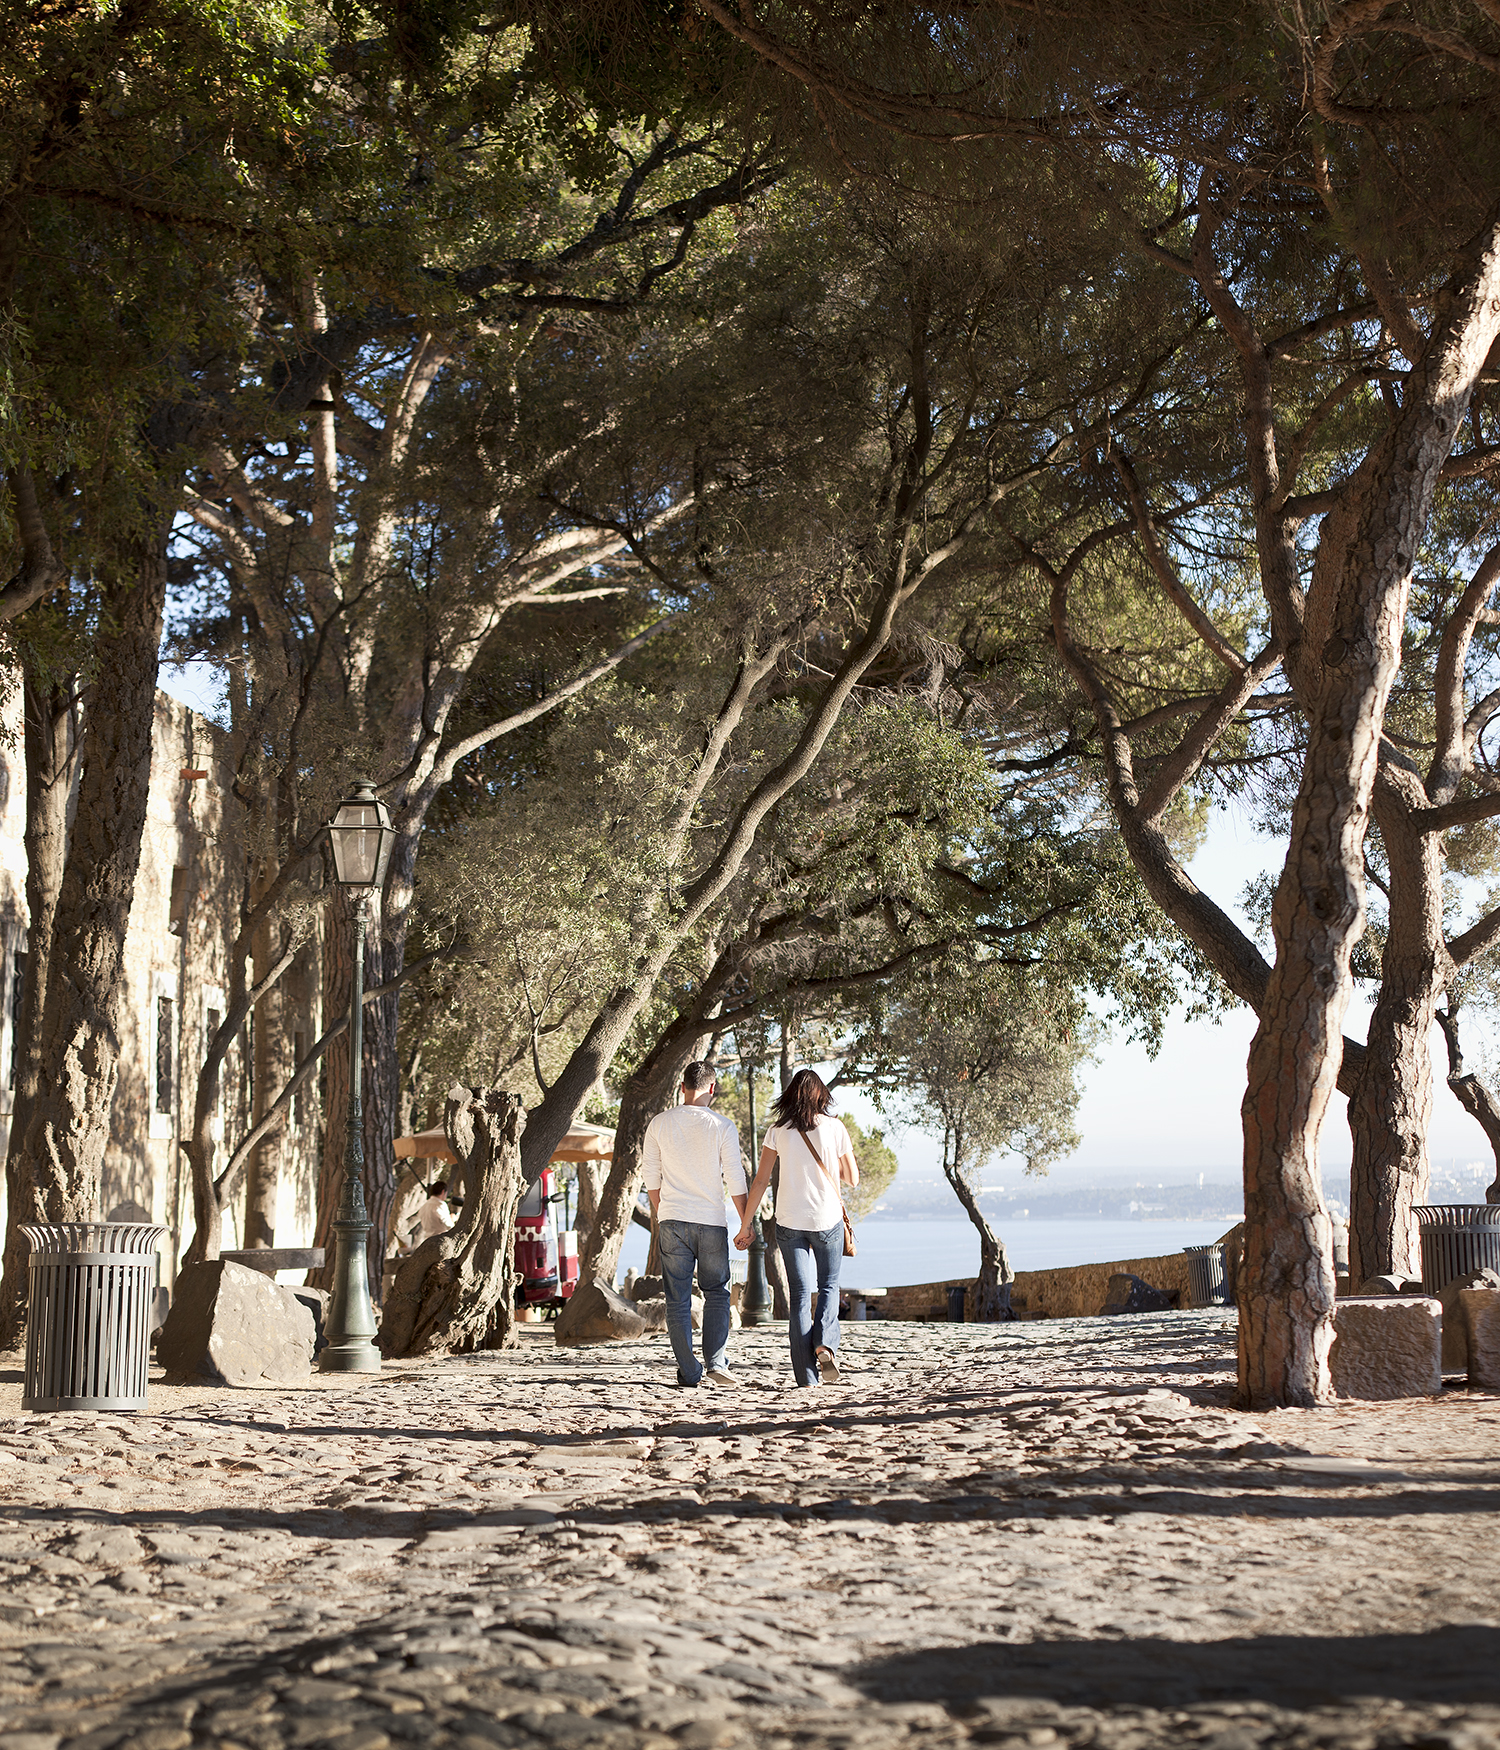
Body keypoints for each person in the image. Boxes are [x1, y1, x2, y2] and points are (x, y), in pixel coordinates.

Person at [736, 1068, 858, 1386]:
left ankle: (806, 1376)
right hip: (826, 1220)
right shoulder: (834, 1127)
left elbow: (761, 1180)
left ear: (790, 1096)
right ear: (822, 1096)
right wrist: (830, 1166)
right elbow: (853, 1178)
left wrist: (745, 1224)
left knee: (800, 1296)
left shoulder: (777, 1130)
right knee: (829, 1287)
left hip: (788, 1222)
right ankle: (824, 1344)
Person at [642, 1060, 749, 1388]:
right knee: (717, 1292)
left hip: (673, 1220)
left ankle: (689, 1371)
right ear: (712, 1088)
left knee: (677, 1298)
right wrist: (746, 1222)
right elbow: (735, 1177)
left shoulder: (659, 1124)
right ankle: (716, 1361)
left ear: (682, 1086)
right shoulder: (722, 1126)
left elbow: (650, 1176)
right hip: (711, 1222)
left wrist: (663, 1213)